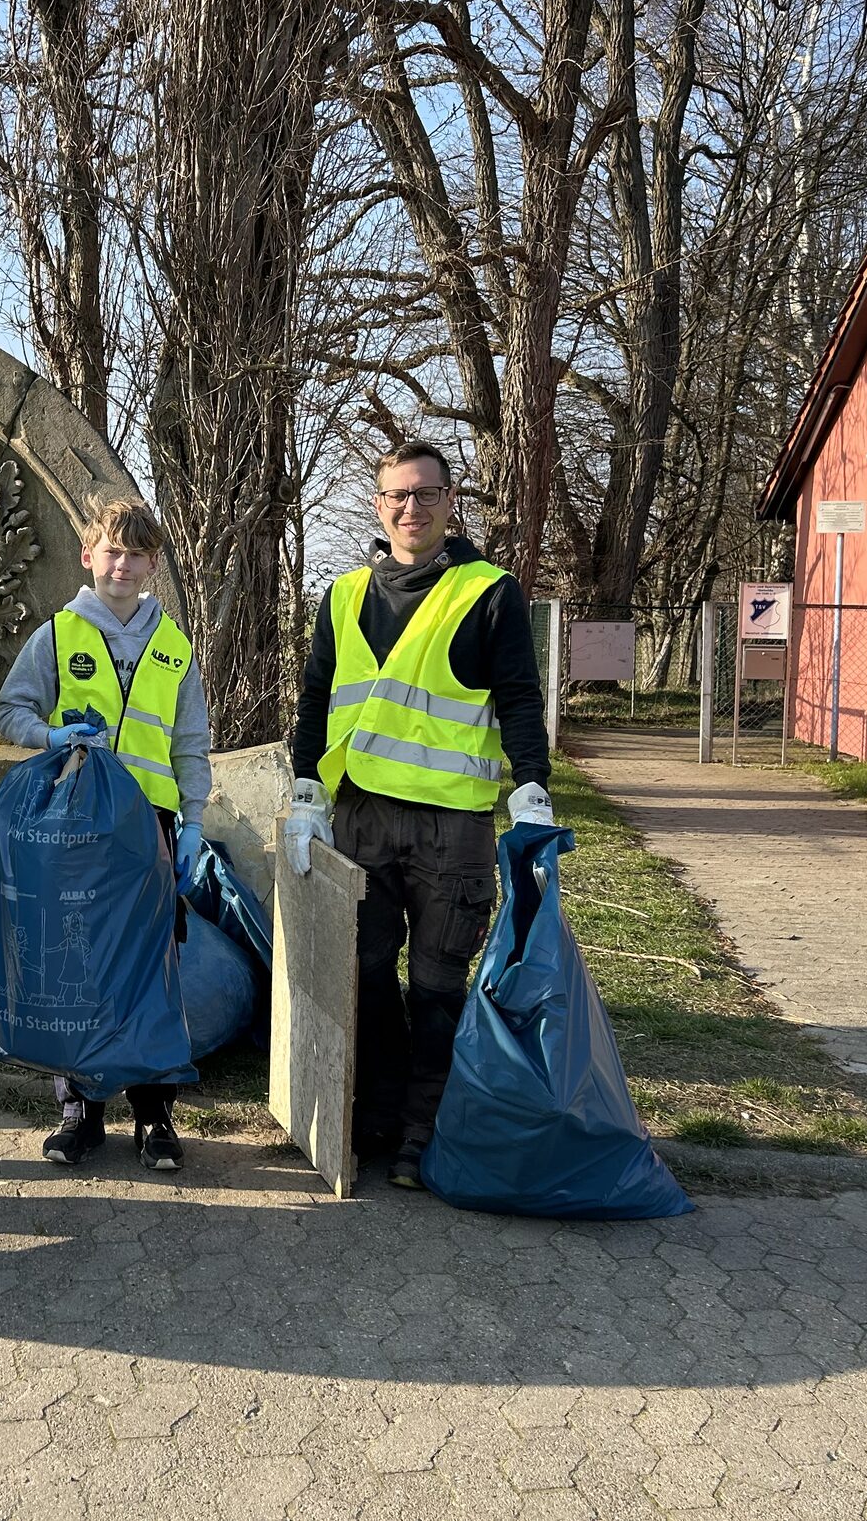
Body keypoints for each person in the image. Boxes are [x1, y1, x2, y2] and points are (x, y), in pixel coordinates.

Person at [282, 442, 552, 1191]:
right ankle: (372, 1118)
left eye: (427, 494)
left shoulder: (489, 591)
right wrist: (306, 792)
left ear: (450, 500)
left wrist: (532, 788)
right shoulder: (341, 596)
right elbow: (313, 700)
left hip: (450, 827)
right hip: (359, 818)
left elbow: (520, 698)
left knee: (435, 986)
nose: (412, 508)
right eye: (398, 495)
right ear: (378, 506)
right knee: (362, 976)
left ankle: (421, 1135)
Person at [0, 494, 213, 1172]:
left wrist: (196, 825)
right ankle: (79, 1112)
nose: (123, 564)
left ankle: (156, 1117)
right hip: (74, 828)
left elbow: (191, 744)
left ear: (153, 563)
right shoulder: (57, 636)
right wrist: (50, 735)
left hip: (149, 829)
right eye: (111, 551)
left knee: (151, 969)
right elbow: (10, 711)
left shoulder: (174, 646)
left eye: (137, 553)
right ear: (89, 555)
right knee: (74, 965)